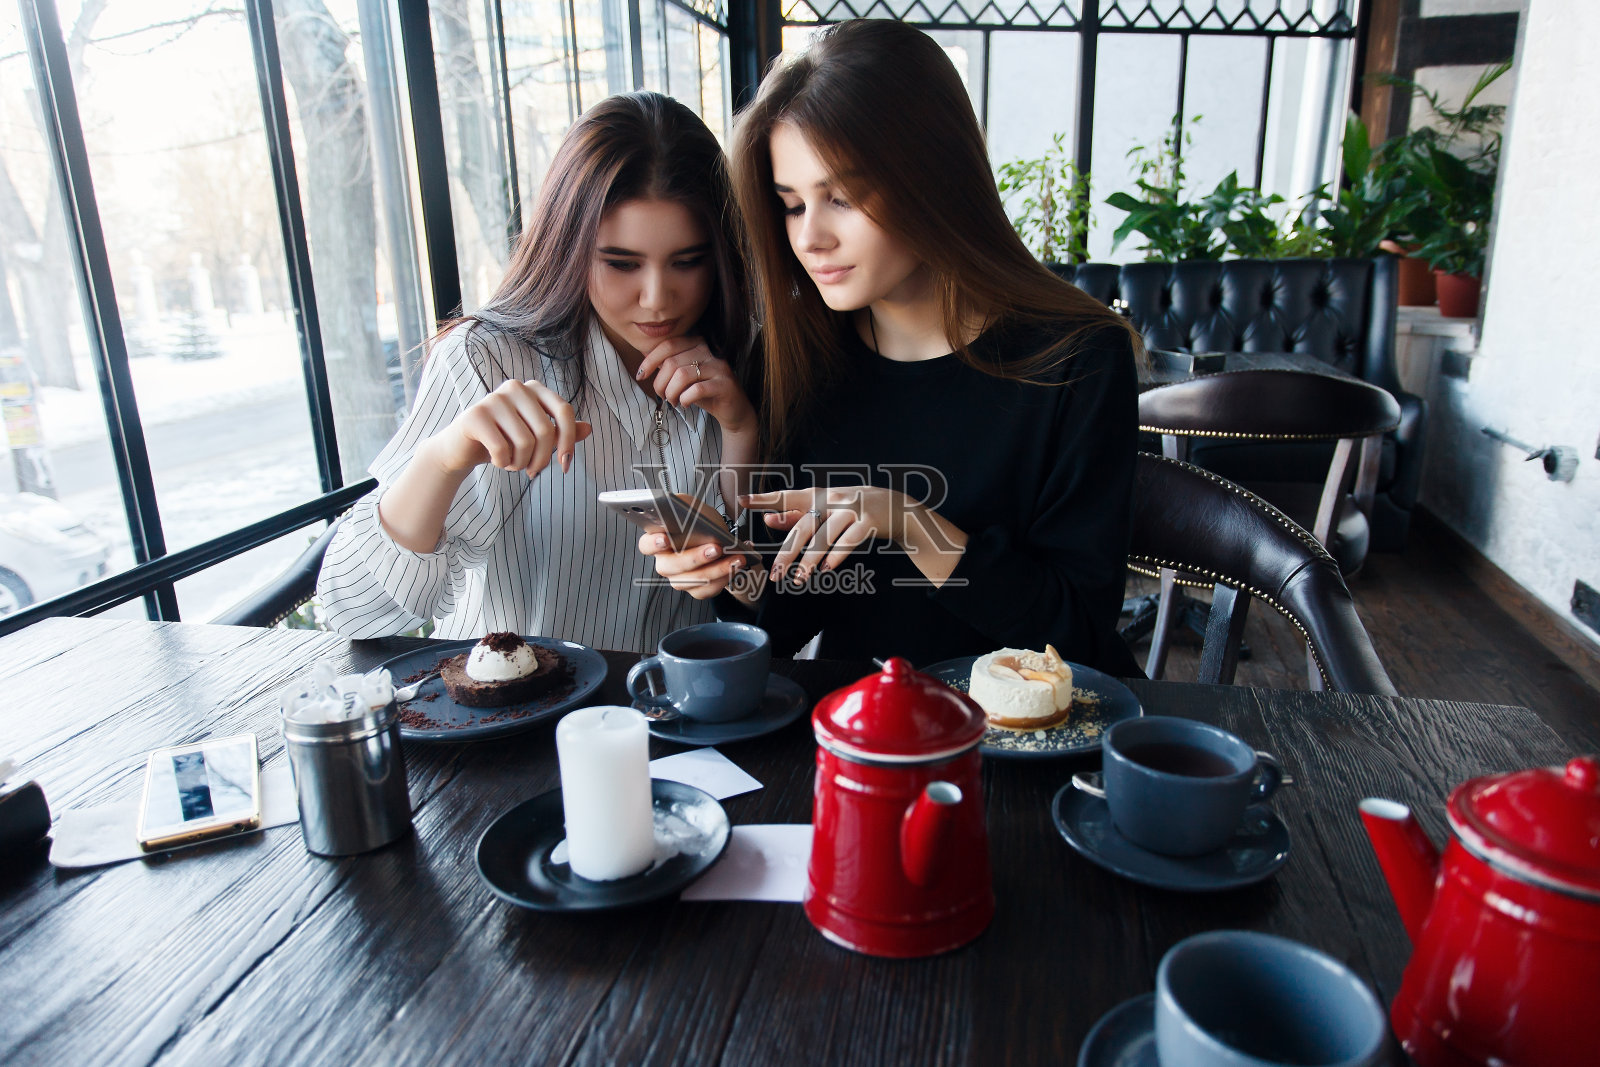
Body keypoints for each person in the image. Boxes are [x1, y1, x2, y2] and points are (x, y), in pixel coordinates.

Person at [638, 20, 1143, 675]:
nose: (810, 237)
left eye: (841, 197)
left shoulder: (1079, 359)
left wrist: (908, 521)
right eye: (791, 204)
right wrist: (730, 569)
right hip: (872, 736)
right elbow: (784, 620)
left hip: (1038, 742)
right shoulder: (800, 357)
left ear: (934, 177)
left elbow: (1075, 637)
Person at [317, 92, 757, 653]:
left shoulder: (740, 360)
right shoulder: (488, 359)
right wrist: (444, 458)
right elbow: (348, 609)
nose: (657, 299)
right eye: (620, 263)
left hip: (665, 719)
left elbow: (755, 590)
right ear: (569, 247)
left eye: (687, 262)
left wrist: (742, 431)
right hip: (507, 722)